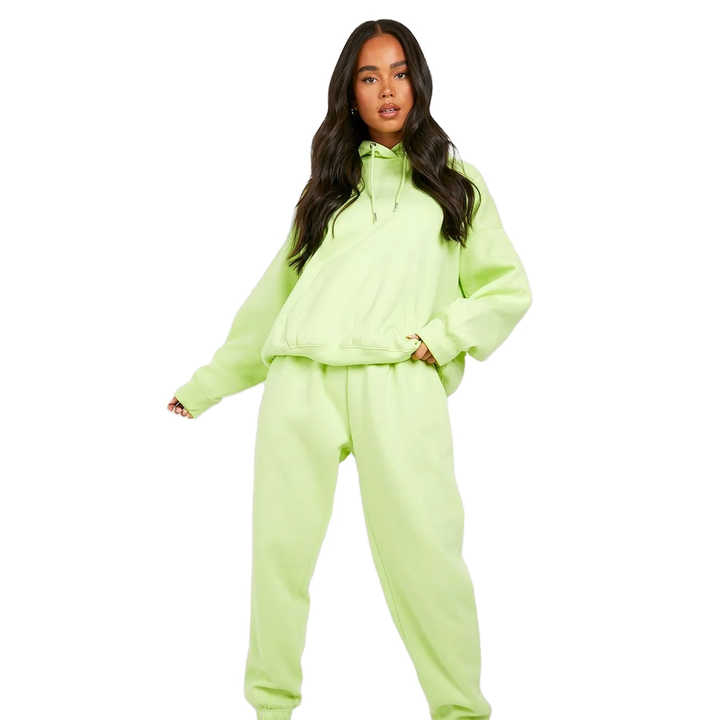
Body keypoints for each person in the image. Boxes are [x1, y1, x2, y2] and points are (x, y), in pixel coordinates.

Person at [168, 19, 531, 720]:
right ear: (351, 93)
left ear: (418, 83)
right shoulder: (329, 188)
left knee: (427, 555)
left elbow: (507, 288)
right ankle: (271, 708)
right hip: (301, 380)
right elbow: (274, 297)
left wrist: (441, 337)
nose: (387, 89)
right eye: (370, 77)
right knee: (279, 555)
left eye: (399, 73)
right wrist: (208, 385)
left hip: (399, 379)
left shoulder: (454, 183)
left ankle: (461, 710)